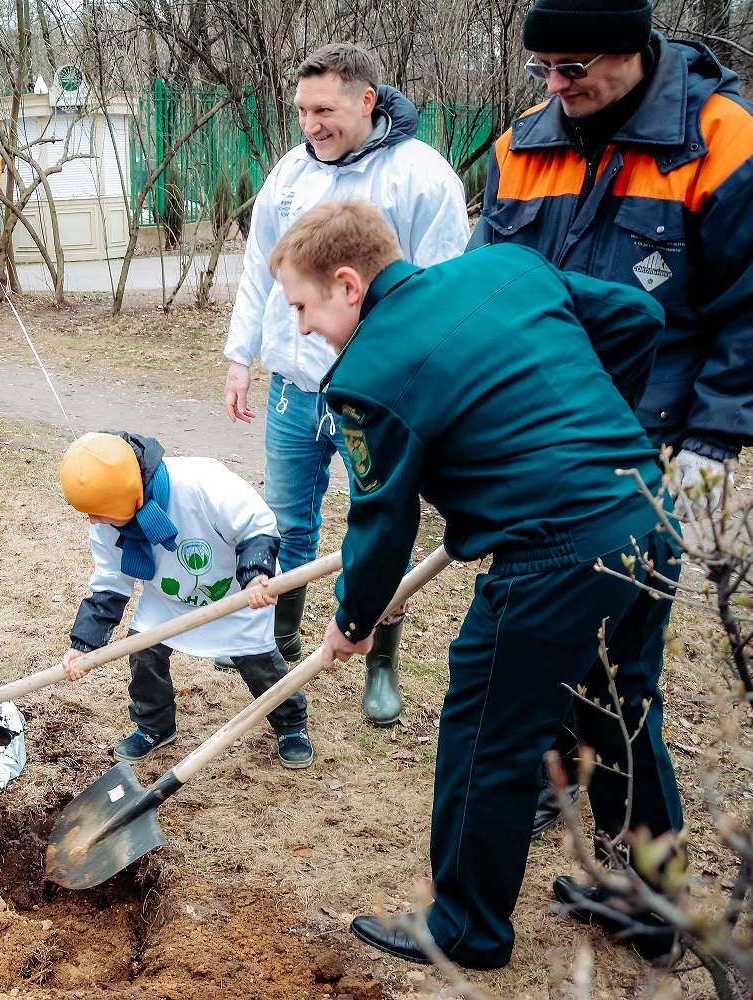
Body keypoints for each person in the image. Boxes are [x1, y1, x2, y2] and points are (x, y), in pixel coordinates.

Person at [275, 200, 681, 969]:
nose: (300, 327)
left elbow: (381, 522)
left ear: (348, 284)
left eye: (302, 305)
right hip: (646, 516)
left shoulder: (367, 374)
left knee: (488, 734)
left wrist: (353, 620)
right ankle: (651, 905)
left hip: (553, 557)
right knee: (622, 715)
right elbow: (636, 316)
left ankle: (466, 928)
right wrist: (595, 434)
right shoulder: (506, 266)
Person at [468, 0, 753, 848]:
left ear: (633, 49)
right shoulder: (522, 144)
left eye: (575, 68)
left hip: (649, 451)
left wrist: (714, 439)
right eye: (542, 69)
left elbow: (747, 309)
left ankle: (644, 887)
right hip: (540, 448)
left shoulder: (720, 139)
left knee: (621, 673)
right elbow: (493, 289)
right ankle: (552, 785)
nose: (557, 88)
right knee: (545, 637)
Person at [221, 43, 469, 727]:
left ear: (367, 99)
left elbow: (442, 290)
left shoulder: (421, 178)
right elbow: (257, 269)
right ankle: (281, 636)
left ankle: (380, 661)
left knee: (382, 520)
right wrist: (241, 356)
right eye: (301, 110)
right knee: (286, 518)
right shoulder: (292, 173)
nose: (310, 125)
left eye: (323, 109)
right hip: (297, 385)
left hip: (383, 394)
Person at [56, 432, 312, 768]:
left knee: (259, 664)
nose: (92, 520)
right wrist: (83, 644)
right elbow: (110, 584)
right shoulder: (108, 520)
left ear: (128, 497)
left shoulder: (200, 483)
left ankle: (291, 724)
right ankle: (154, 726)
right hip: (168, 596)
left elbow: (256, 525)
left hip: (237, 592)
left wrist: (257, 576)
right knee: (142, 652)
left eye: (98, 513)